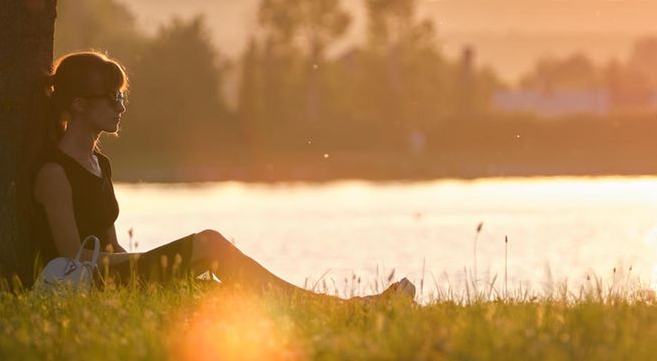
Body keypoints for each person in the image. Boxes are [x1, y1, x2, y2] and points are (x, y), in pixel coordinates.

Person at [26, 50, 414, 302]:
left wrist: (160, 265)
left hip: (114, 276)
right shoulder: (55, 173)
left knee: (214, 290)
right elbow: (72, 256)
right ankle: (346, 308)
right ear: (79, 105)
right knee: (208, 243)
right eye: (112, 98)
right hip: (87, 287)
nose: (120, 107)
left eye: (121, 97)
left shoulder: (99, 163)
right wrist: (157, 261)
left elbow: (111, 248)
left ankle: (329, 309)